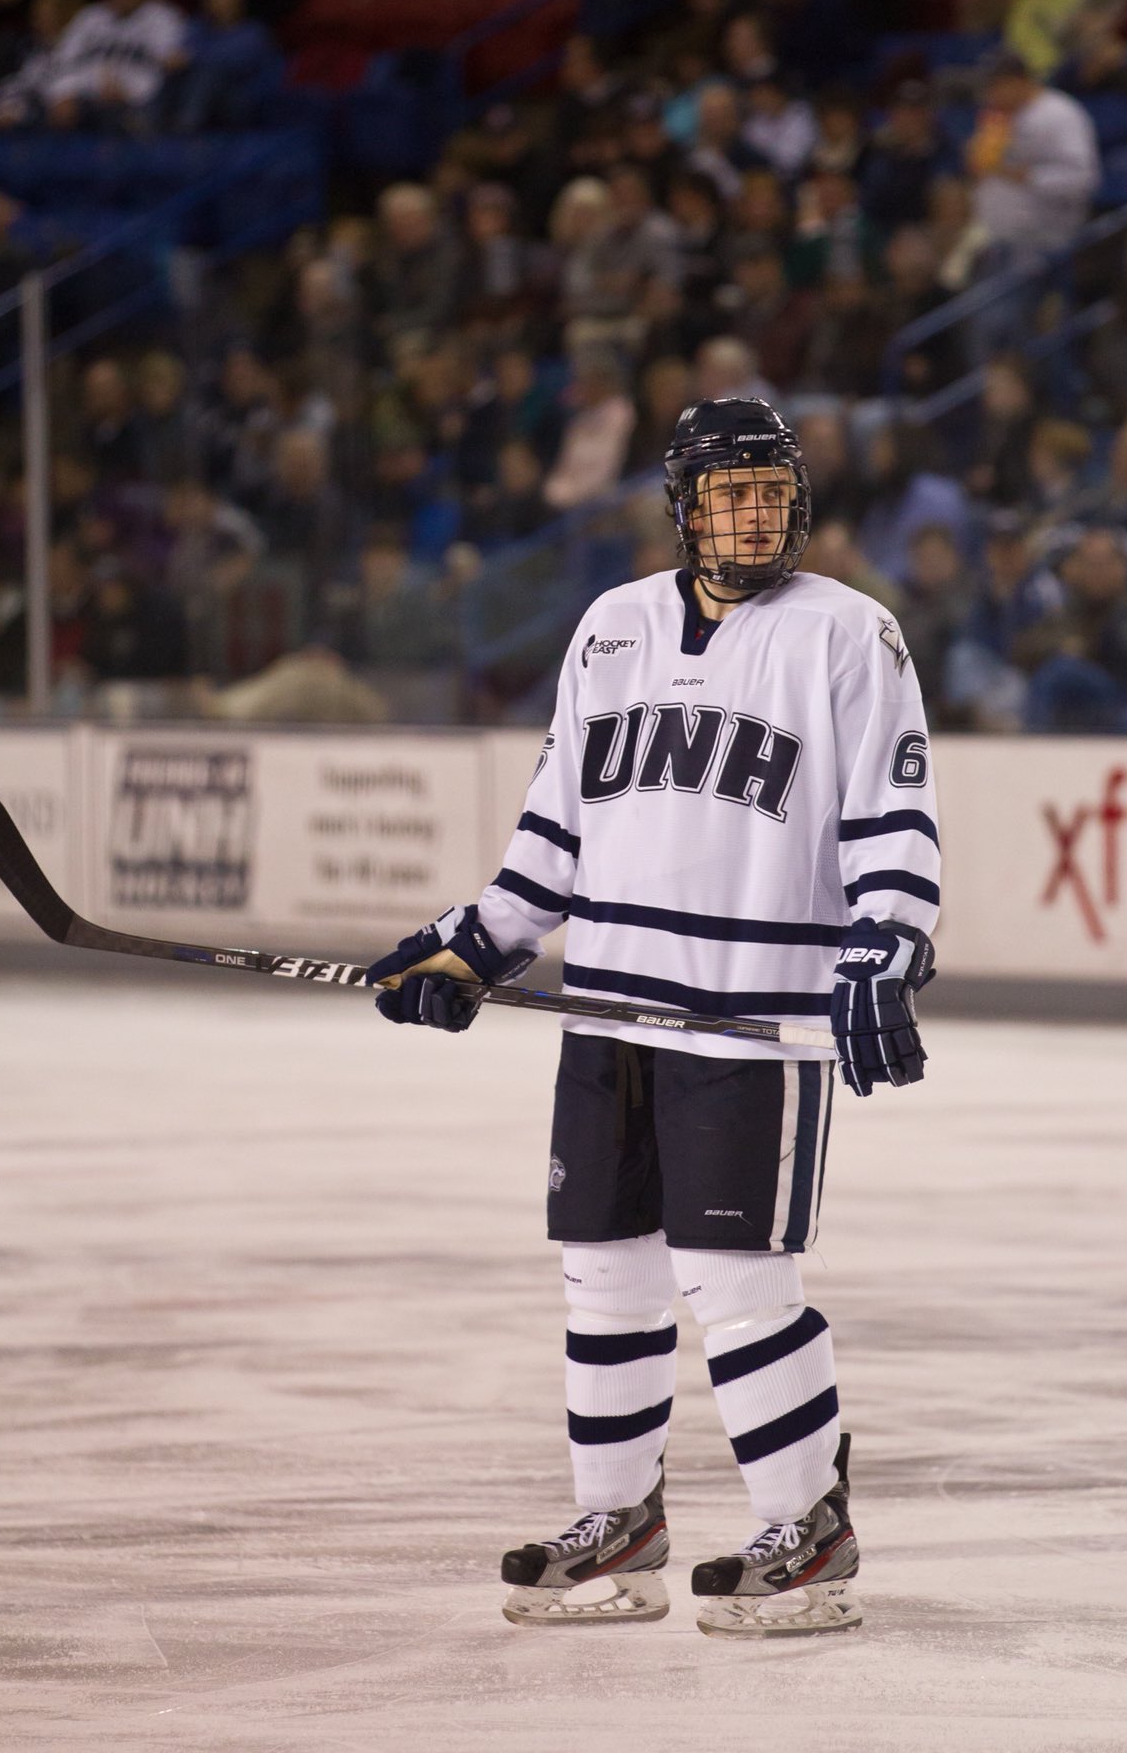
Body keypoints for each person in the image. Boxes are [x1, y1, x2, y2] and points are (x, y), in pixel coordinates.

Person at [364, 397, 939, 1637]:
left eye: (770, 488)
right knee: (605, 1275)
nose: (754, 511)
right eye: (728, 492)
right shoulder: (610, 627)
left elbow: (892, 818)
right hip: (610, 1010)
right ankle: (617, 1521)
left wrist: (886, 942)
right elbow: (555, 827)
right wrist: (477, 943)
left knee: (735, 1279)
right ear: (681, 506)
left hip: (746, 1021)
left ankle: (807, 1530)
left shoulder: (849, 632)